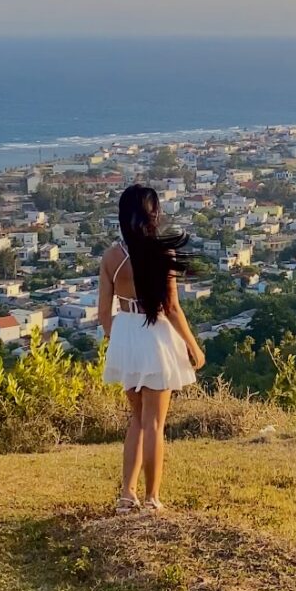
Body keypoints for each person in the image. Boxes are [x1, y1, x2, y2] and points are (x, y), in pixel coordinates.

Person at [99, 184, 206, 513]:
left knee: (137, 421)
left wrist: (119, 341)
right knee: (155, 424)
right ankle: (151, 498)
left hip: (126, 333)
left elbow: (104, 313)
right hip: (155, 334)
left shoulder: (111, 256)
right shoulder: (162, 253)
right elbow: (172, 308)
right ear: (152, 214)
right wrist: (193, 347)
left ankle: (126, 495)